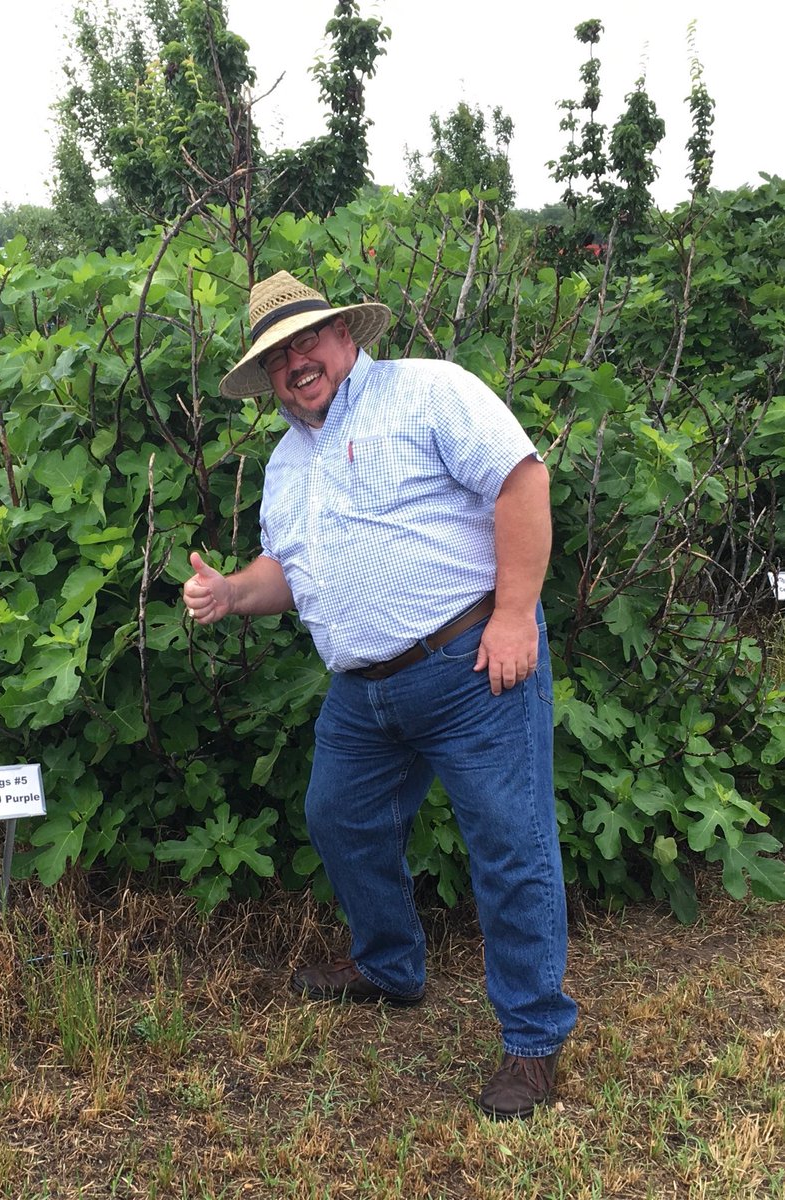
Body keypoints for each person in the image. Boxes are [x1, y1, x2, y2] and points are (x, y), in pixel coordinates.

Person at [182, 271, 577, 1120]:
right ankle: (391, 967)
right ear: (267, 377)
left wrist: (515, 616)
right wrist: (230, 595)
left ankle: (534, 1040)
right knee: (338, 817)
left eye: (306, 341)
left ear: (343, 336)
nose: (296, 363)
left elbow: (522, 480)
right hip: (364, 694)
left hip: (474, 665)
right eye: (277, 356)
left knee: (510, 849)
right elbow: (287, 572)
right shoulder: (288, 463)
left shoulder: (427, 392)